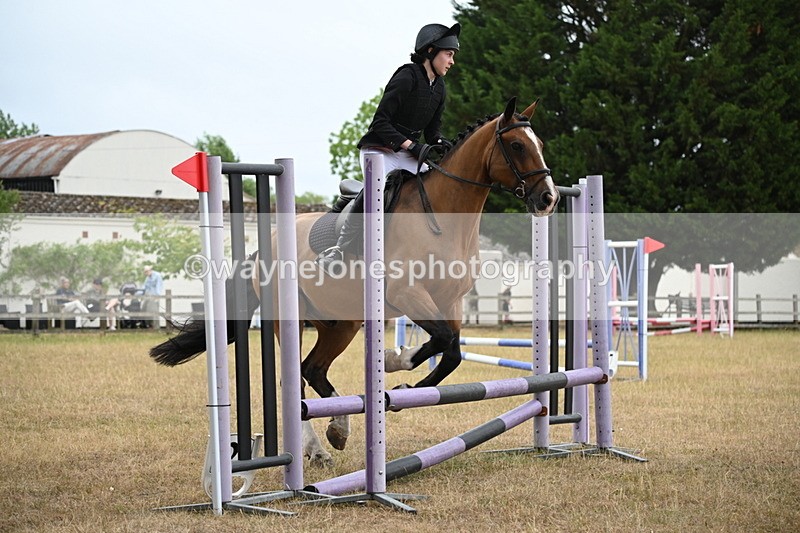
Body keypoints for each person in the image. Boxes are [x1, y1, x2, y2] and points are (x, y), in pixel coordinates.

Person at [316, 22, 461, 272]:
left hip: (406, 153)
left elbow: (432, 131)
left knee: (435, 183)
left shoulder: (439, 87)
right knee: (377, 191)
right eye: (448, 54)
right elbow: (380, 122)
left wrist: (440, 142)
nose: (452, 61)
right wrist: (410, 145)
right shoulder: (407, 76)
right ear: (430, 51)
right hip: (380, 150)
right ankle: (339, 248)